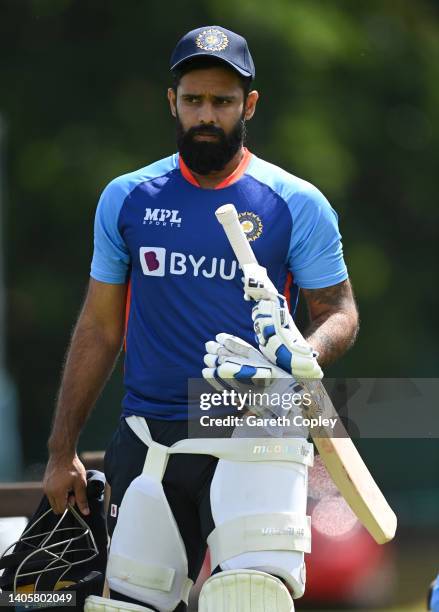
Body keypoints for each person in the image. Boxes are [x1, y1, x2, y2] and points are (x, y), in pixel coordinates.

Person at [43, 25, 359, 612]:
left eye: (222, 101)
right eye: (194, 100)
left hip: (256, 432)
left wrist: (302, 355)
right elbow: (99, 328)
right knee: (130, 606)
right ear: (173, 102)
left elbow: (338, 312)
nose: (206, 115)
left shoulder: (296, 202)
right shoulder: (128, 198)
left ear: (250, 105)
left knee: (249, 600)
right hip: (148, 439)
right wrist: (62, 450)